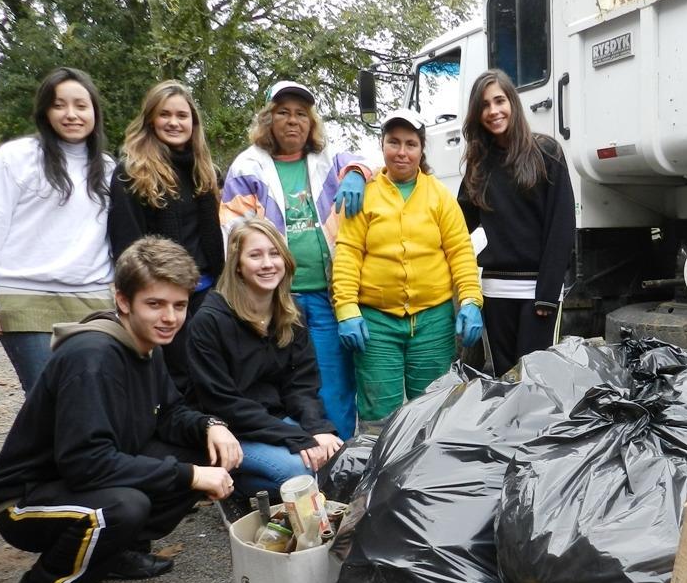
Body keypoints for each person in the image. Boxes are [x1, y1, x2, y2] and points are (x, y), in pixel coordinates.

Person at [0, 237, 242, 583]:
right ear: (123, 300)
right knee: (123, 507)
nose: (169, 317)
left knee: (203, 452)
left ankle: (114, 552)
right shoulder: (92, 358)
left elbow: (171, 412)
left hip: (79, 479)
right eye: (155, 304)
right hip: (23, 501)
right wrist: (189, 476)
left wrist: (211, 426)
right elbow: (86, 463)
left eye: (179, 305)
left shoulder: (147, 344)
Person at [219, 80, 369, 439]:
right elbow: (234, 235)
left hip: (325, 294)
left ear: (311, 122)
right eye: (283, 113)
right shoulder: (248, 167)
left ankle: (339, 453)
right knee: (287, 384)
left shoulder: (327, 159)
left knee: (334, 381)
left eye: (301, 114)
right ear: (268, 119)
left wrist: (356, 174)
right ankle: (300, 452)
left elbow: (366, 162)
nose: (292, 121)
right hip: (276, 299)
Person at [0, 67, 116, 394]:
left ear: (95, 112)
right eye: (59, 105)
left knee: (89, 397)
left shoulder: (107, 169)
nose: (71, 114)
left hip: (92, 301)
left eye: (81, 105)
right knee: (46, 399)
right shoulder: (15, 158)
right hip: (24, 298)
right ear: (45, 111)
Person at [331, 109, 483, 423]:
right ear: (382, 145)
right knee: (379, 414)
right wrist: (346, 308)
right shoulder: (365, 194)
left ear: (421, 149)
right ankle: (377, 456)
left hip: (432, 321)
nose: (402, 152)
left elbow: (460, 251)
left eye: (411, 144)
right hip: (376, 323)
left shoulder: (439, 196)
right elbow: (348, 253)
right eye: (394, 142)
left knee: (432, 410)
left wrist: (471, 300)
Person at [187, 218, 342, 509]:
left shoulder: (291, 313)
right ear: (237, 265)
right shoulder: (210, 320)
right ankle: (233, 485)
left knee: (336, 458)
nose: (268, 264)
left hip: (277, 419)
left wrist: (317, 428)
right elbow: (222, 402)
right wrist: (297, 438)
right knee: (300, 472)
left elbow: (302, 384)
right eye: (255, 255)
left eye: (274, 254)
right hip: (232, 430)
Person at [107, 80, 223, 392]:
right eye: (165, 114)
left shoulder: (205, 171)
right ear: (150, 120)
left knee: (209, 373)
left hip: (206, 291)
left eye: (182, 115)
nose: (174, 122)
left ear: (193, 122)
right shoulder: (132, 172)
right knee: (173, 378)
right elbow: (127, 243)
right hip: (161, 294)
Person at [458, 69, 576, 376]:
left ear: (512, 101)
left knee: (536, 383)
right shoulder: (478, 164)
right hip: (496, 292)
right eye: (484, 105)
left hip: (538, 294)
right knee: (505, 380)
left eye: (499, 101)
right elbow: (456, 225)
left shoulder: (547, 152)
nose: (493, 111)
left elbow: (561, 226)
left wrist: (548, 294)